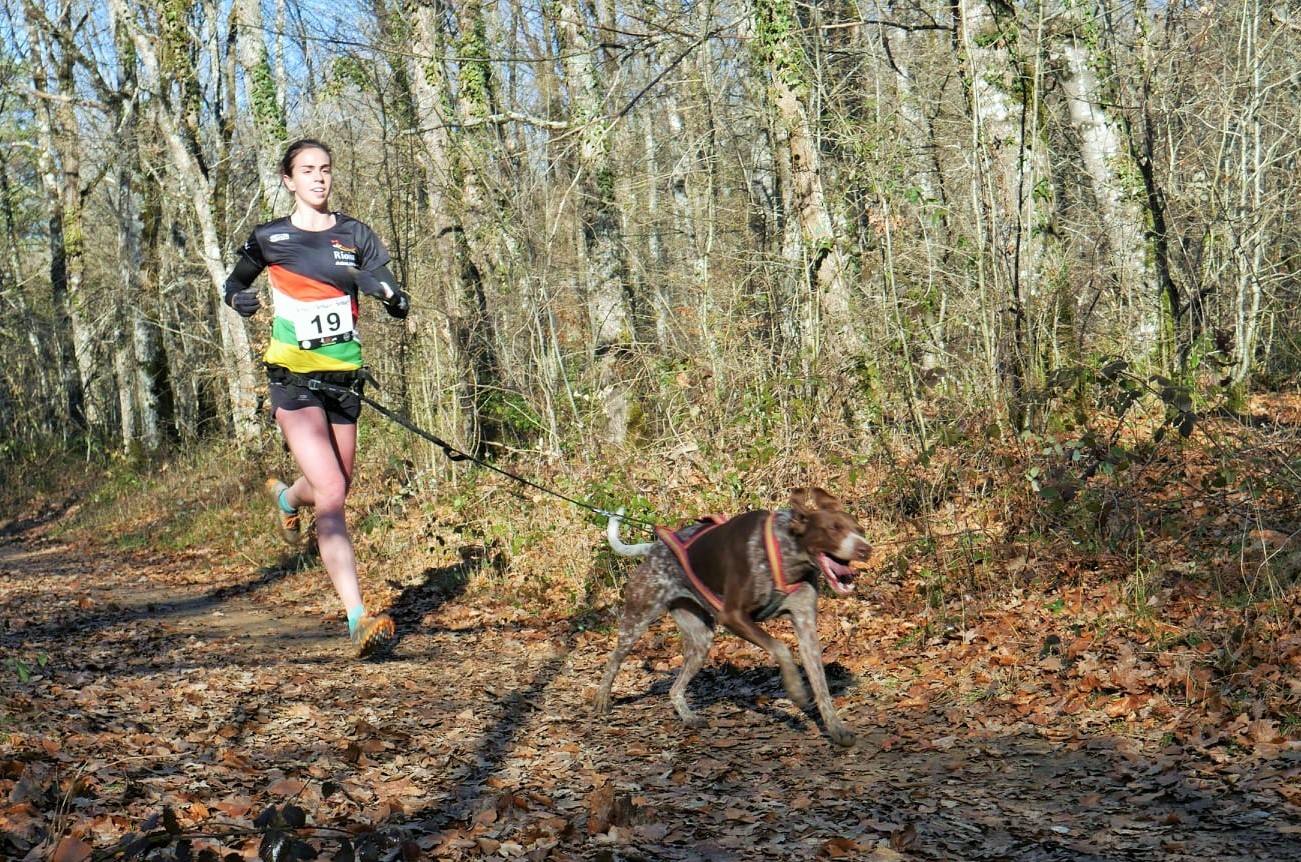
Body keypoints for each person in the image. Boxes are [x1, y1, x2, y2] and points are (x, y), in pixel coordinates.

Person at [222, 138, 410, 658]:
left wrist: (389, 295)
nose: (319, 179)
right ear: (289, 179)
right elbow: (232, 286)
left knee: (334, 485)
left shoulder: (356, 234)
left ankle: (286, 498)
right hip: (292, 378)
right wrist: (241, 299)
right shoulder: (270, 237)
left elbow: (395, 296)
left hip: (344, 380)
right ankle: (357, 618)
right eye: (307, 171)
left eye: (325, 169)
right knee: (331, 492)